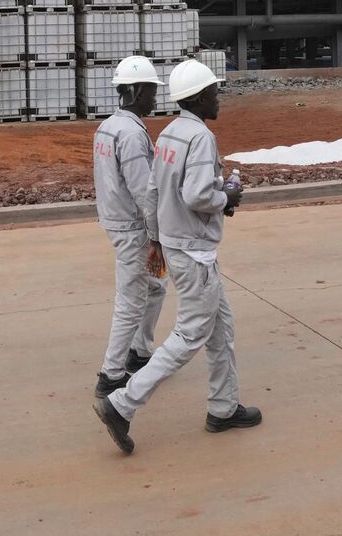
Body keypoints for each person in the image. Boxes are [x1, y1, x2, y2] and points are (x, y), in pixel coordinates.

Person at [94, 59, 259, 455]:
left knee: (222, 330)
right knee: (188, 336)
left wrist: (155, 238)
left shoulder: (168, 134)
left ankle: (223, 408)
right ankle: (122, 402)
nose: (219, 98)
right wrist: (227, 197)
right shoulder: (200, 137)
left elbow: (152, 193)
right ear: (200, 98)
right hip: (194, 253)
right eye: (215, 92)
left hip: (178, 245)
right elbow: (198, 195)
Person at [92, 57, 170, 401]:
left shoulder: (107, 127)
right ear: (136, 90)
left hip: (116, 219)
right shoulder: (132, 135)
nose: (155, 99)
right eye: (152, 91)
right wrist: (156, 236)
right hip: (132, 228)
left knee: (155, 287)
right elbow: (143, 191)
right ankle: (111, 373)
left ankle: (139, 351)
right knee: (131, 299)